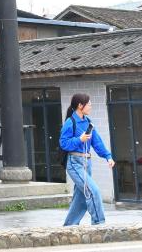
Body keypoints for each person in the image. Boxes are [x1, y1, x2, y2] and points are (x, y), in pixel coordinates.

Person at [59, 92, 114, 226]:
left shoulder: (88, 122)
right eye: (89, 104)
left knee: (81, 197)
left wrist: (108, 156)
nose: (91, 106)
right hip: (74, 163)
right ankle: (99, 223)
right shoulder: (70, 122)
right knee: (93, 191)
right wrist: (80, 139)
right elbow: (63, 143)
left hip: (86, 163)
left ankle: (69, 226)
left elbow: (97, 142)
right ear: (80, 105)